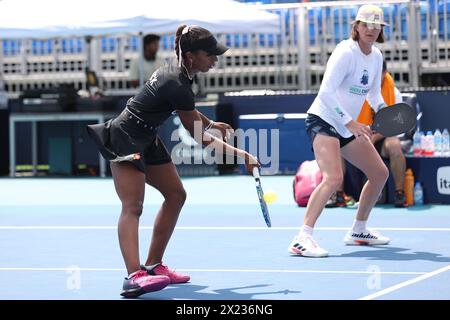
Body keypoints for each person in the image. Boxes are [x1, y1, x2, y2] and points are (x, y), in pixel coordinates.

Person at [87, 25, 259, 298]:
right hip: (126, 137)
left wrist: (211, 122)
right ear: (191, 55)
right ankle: (133, 276)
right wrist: (245, 156)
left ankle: (154, 265)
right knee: (133, 206)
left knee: (176, 195)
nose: (215, 59)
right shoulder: (177, 82)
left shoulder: (180, 75)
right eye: (210, 54)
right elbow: (202, 139)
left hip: (147, 136)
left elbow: (187, 110)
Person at [288, 4, 391, 258]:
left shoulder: (376, 56)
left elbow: (374, 94)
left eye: (376, 25)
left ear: (381, 30)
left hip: (346, 124)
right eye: (366, 24)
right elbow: (325, 92)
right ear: (356, 26)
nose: (371, 29)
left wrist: (387, 111)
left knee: (379, 173)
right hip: (323, 119)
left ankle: (359, 229)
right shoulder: (345, 52)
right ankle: (302, 238)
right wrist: (350, 123)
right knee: (333, 178)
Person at [357, 59, 407, 207]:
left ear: (385, 73)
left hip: (383, 137)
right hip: (360, 135)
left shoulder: (394, 93)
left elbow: (395, 124)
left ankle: (399, 193)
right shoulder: (358, 90)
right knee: (338, 144)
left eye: (378, 73)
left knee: (395, 146)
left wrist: (374, 137)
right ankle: (338, 194)